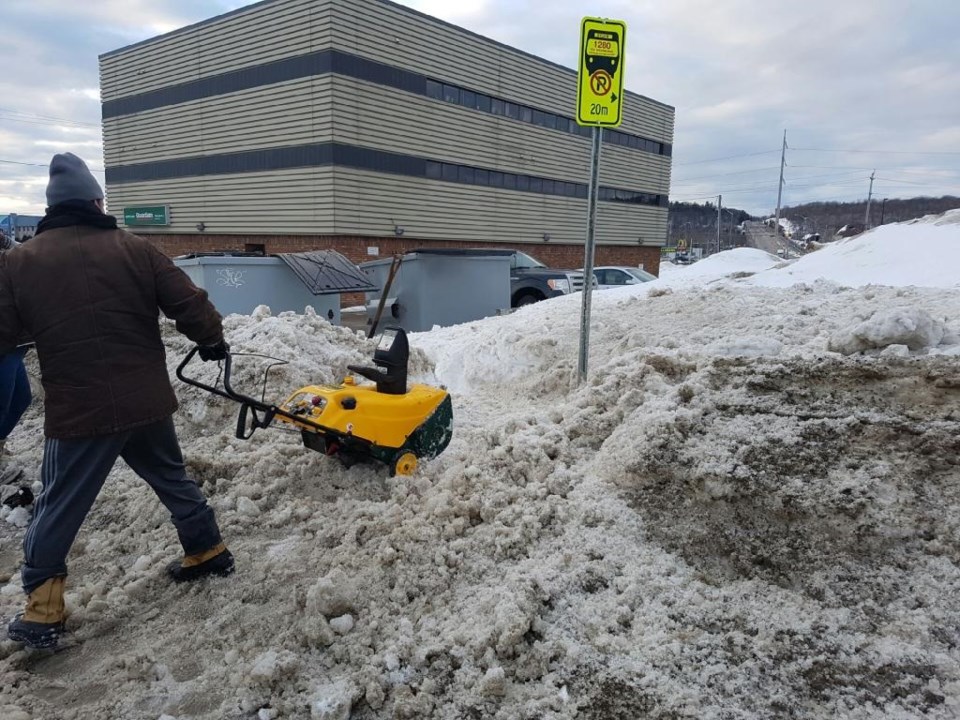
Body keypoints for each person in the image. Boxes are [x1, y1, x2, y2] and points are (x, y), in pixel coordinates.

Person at [0, 153, 234, 650]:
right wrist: (211, 338)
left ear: (51, 208)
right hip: (145, 399)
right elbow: (188, 302)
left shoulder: (19, 262)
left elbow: (4, 332)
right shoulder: (134, 248)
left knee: (60, 502)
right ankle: (206, 546)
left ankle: (42, 610)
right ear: (95, 200)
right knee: (171, 475)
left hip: (81, 412)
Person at [0, 234, 31, 486]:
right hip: (5, 345)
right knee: (3, 403)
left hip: (16, 344)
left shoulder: (10, 250)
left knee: (21, 399)